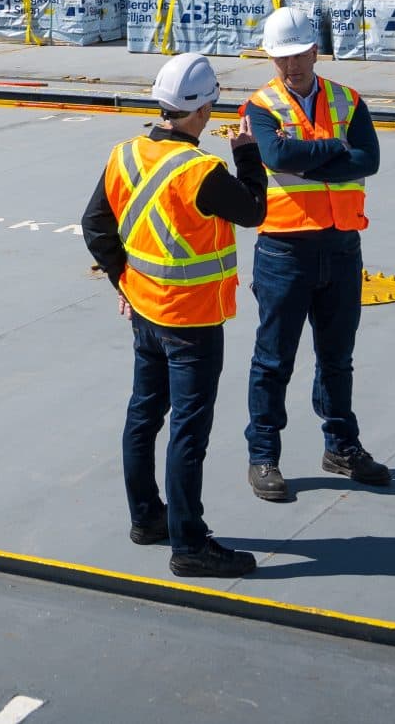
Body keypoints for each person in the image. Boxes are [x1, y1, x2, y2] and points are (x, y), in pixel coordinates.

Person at [80, 52, 271, 578]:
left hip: (145, 313)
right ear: (204, 109)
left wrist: (124, 281)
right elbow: (255, 210)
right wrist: (248, 153)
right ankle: (189, 544)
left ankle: (146, 518)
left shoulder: (124, 154)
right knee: (189, 430)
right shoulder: (201, 170)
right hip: (191, 321)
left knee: (144, 414)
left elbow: (95, 225)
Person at [240, 5, 389, 502]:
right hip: (284, 249)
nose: (291, 66)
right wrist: (334, 151)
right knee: (273, 359)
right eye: (281, 58)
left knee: (337, 358)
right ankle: (263, 454)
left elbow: (368, 159)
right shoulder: (260, 106)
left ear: (315, 51)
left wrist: (311, 154)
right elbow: (277, 157)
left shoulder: (349, 99)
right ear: (271, 58)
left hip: (342, 246)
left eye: (299, 55)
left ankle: (341, 446)